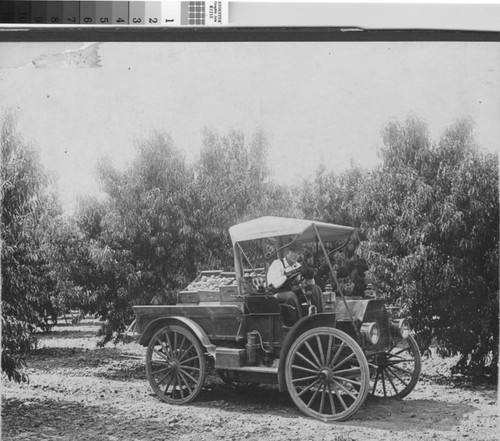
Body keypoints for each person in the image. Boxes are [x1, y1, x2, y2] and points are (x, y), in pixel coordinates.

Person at [267, 244, 324, 320]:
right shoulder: (277, 264)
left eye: (299, 253)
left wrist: (309, 276)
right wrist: (289, 274)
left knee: (315, 289)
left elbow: (310, 284)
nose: (296, 255)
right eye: (294, 252)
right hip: (275, 294)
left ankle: (320, 318)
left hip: (291, 292)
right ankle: (299, 323)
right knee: (291, 295)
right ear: (287, 252)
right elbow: (275, 285)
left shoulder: (297, 265)